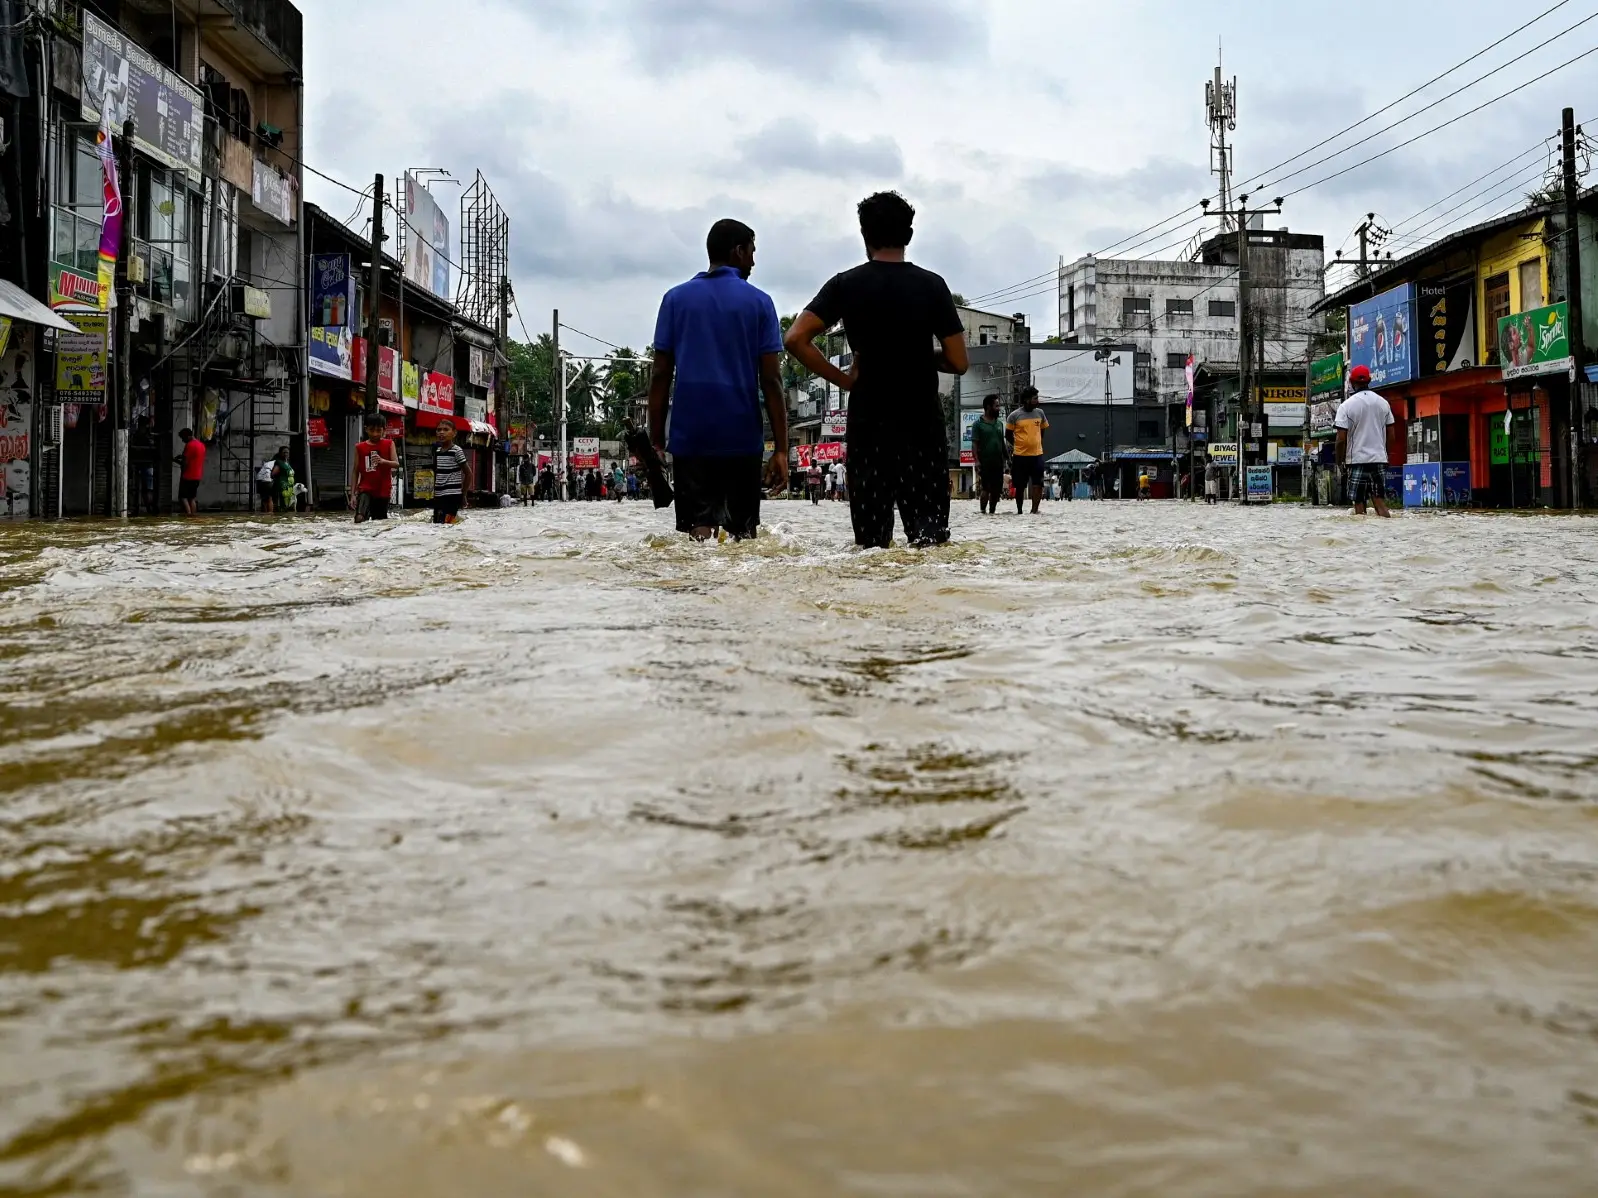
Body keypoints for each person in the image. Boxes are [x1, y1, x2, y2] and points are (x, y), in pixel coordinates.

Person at [785, 192, 968, 548]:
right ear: (909, 235)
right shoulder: (932, 285)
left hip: (869, 426)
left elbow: (795, 339)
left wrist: (845, 380)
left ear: (864, 234)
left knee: (871, 547)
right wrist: (920, 354)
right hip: (921, 427)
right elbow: (959, 361)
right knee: (930, 543)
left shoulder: (845, 285)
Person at [648, 218, 787, 541]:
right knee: (743, 536)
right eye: (752, 252)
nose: (753, 261)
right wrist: (781, 449)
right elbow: (771, 381)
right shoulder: (760, 302)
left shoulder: (675, 299)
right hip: (742, 436)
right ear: (738, 251)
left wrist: (656, 442)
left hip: (690, 436)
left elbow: (660, 376)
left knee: (698, 532)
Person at [1336, 363, 1394, 518]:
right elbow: (1391, 434)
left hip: (1357, 461)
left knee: (1359, 503)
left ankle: (1362, 533)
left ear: (1351, 382)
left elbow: (1340, 439)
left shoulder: (1346, 406)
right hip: (1379, 459)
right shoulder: (1383, 403)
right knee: (1379, 500)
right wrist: (1386, 456)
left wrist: (1339, 461)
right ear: (1369, 380)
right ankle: (1386, 528)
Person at [1005, 386, 1049, 514]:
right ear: (1026, 400)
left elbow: (1042, 431)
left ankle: (1034, 511)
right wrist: (1018, 445)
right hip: (1020, 456)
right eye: (1035, 398)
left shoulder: (1040, 413)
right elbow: (1008, 435)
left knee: (1038, 484)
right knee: (1019, 486)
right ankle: (1019, 511)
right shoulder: (1014, 416)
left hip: (1037, 455)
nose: (1037, 401)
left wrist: (1036, 443)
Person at [351, 414, 399, 523]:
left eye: (378, 430)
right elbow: (355, 471)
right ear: (366, 429)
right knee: (359, 518)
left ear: (384, 430)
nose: (375, 434)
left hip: (383, 490)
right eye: (371, 430)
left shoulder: (389, 444)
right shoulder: (359, 447)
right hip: (365, 489)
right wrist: (353, 495)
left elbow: (396, 464)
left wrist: (383, 461)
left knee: (379, 522)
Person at [431, 417, 473, 524]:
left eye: (446, 429)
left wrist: (463, 494)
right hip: (439, 496)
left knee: (447, 525)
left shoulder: (456, 451)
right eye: (439, 430)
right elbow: (438, 473)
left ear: (454, 433)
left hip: (452, 496)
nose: (441, 432)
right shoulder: (438, 451)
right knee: (437, 525)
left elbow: (468, 474)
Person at [971, 392, 1007, 515]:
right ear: (988, 407)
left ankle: (992, 513)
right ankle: (982, 511)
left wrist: (1008, 458)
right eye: (996, 406)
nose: (999, 408)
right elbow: (974, 444)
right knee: (986, 487)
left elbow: (1002, 443)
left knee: (996, 490)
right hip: (985, 462)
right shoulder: (978, 424)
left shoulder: (999, 424)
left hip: (998, 462)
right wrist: (976, 461)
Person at [130, 415, 158, 516]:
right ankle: (145, 508)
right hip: (143, 465)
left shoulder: (140, 436)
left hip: (144, 465)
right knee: (143, 489)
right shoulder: (147, 436)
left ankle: (147, 508)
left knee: (145, 489)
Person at [174, 427, 205, 516]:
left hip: (187, 476)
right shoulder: (201, 445)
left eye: (183, 438)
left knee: (183, 497)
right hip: (197, 476)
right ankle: (193, 516)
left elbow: (185, 463)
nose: (183, 441)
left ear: (187, 436)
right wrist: (181, 456)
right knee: (192, 498)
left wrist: (174, 460)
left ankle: (188, 515)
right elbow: (194, 457)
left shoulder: (189, 445)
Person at [271, 446, 296, 514]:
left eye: (287, 452)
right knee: (282, 506)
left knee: (288, 506)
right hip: (282, 488)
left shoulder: (287, 463)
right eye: (284, 452)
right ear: (280, 453)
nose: (286, 454)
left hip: (289, 488)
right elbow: (273, 474)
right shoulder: (279, 463)